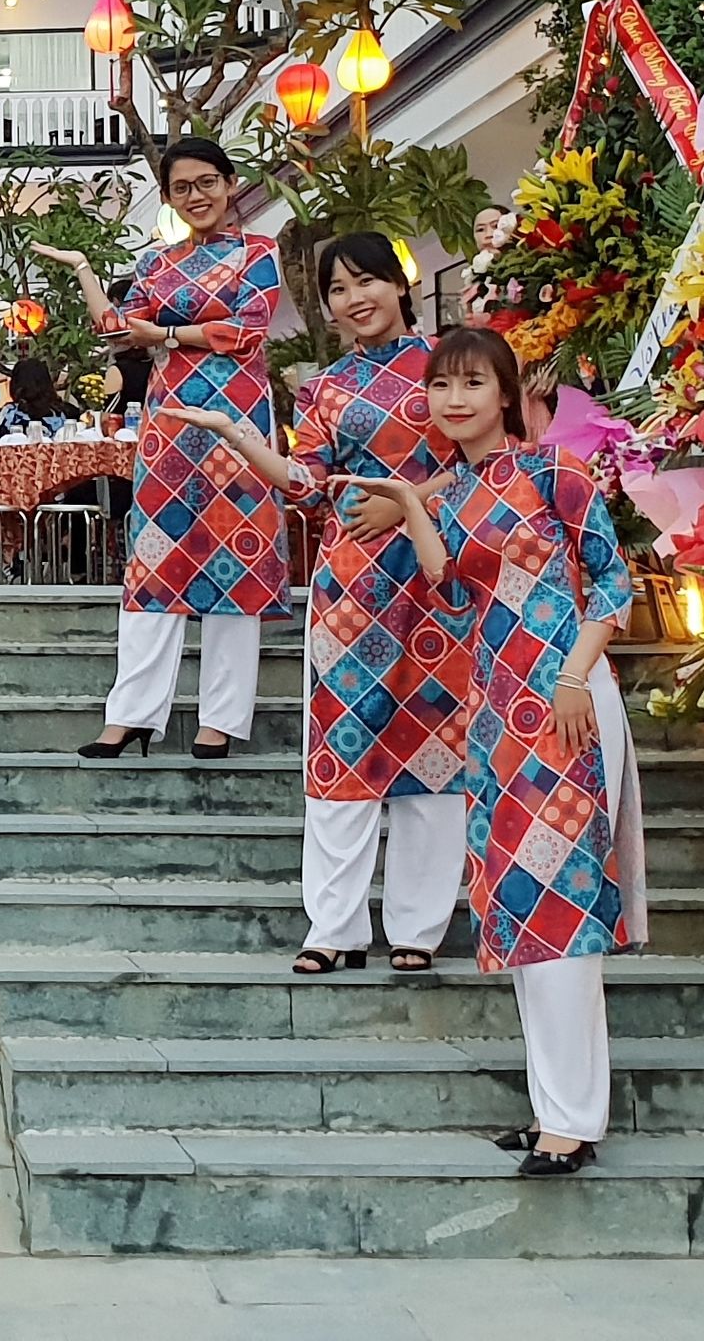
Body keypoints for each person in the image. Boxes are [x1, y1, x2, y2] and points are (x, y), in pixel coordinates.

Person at [161, 232, 465, 976]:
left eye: (367, 282)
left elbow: (483, 461)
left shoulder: (451, 369)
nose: (354, 300)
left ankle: (418, 932)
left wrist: (405, 505)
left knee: (433, 751)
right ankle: (333, 928)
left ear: (401, 285)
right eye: (337, 290)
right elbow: (304, 480)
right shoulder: (324, 387)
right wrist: (236, 434)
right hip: (349, 587)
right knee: (341, 750)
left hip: (437, 578)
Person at [420, 325, 648, 1177]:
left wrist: (575, 676)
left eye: (473, 382)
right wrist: (413, 506)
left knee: (562, 898)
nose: (455, 398)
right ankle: (558, 1108)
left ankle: (574, 1120)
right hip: (494, 713)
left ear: (507, 392)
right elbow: (449, 602)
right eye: (442, 385)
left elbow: (614, 582)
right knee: (520, 898)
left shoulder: (556, 472)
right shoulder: (451, 494)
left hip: (565, 708)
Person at [35, 137, 284, 760]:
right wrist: (86, 273)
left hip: (239, 419)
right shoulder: (157, 263)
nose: (195, 196)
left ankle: (220, 720)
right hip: (169, 423)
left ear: (229, 184)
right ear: (170, 198)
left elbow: (246, 333)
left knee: (239, 555)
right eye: (181, 188)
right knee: (153, 562)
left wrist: (168, 333)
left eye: (206, 183)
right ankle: (130, 714)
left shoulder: (262, 253)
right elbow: (119, 331)